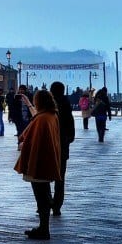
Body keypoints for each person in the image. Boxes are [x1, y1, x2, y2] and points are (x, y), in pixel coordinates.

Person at [13, 89, 61, 240]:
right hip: (47, 160)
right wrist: (28, 104)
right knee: (44, 194)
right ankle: (43, 226)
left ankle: (43, 228)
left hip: (39, 162)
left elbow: (35, 139)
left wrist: (23, 145)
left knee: (41, 195)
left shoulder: (42, 119)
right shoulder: (51, 116)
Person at [49, 81, 76, 216]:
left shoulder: (48, 107)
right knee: (60, 178)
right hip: (63, 147)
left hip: (48, 147)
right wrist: (67, 140)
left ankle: (46, 202)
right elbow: (71, 127)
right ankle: (57, 205)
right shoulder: (66, 105)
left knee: (45, 176)